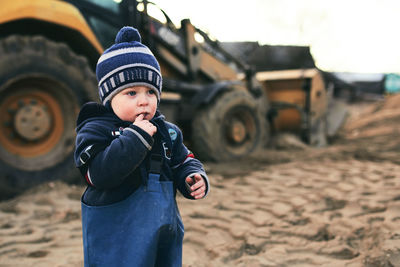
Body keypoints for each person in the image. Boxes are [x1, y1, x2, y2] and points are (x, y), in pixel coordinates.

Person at [74, 26, 209, 267]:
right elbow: (98, 175)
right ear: (109, 97)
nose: (143, 101)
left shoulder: (168, 131)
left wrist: (192, 175)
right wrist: (134, 138)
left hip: (161, 231)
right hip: (116, 234)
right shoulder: (95, 130)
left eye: (150, 91)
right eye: (131, 92)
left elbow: (183, 159)